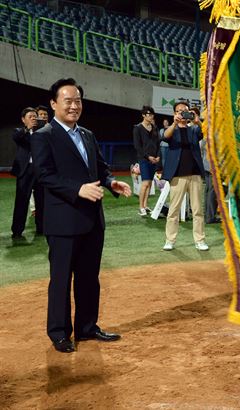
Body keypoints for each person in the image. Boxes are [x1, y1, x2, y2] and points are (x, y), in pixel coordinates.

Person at [30, 78, 131, 353]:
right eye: (68, 101)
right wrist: (78, 189)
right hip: (63, 221)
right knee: (61, 279)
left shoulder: (87, 134)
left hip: (92, 220)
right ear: (54, 104)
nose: (74, 106)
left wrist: (111, 182)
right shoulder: (44, 135)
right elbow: (43, 175)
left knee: (89, 277)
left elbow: (100, 167)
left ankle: (87, 327)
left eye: (78, 101)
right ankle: (60, 333)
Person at [161, 100, 208, 251]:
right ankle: (170, 240)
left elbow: (206, 132)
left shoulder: (193, 129)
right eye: (179, 111)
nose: (182, 113)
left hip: (194, 175)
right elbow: (165, 137)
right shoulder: (171, 129)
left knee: (197, 210)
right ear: (174, 113)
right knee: (173, 210)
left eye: (185, 111)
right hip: (177, 175)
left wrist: (197, 121)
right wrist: (174, 124)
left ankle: (199, 240)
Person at [10, 107, 44, 238]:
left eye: (35, 116)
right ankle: (17, 231)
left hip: (40, 171)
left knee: (42, 201)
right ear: (23, 119)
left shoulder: (42, 133)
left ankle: (41, 228)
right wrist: (27, 128)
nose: (33, 118)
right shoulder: (19, 131)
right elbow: (17, 137)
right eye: (30, 116)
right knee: (21, 202)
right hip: (25, 171)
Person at [132, 106, 160, 216]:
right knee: (145, 183)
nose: (151, 116)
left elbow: (158, 143)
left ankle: (146, 205)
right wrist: (148, 157)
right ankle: (141, 207)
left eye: (152, 114)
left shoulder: (154, 128)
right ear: (143, 115)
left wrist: (158, 156)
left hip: (154, 159)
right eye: (148, 114)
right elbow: (137, 146)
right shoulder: (137, 128)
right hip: (143, 159)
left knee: (149, 183)